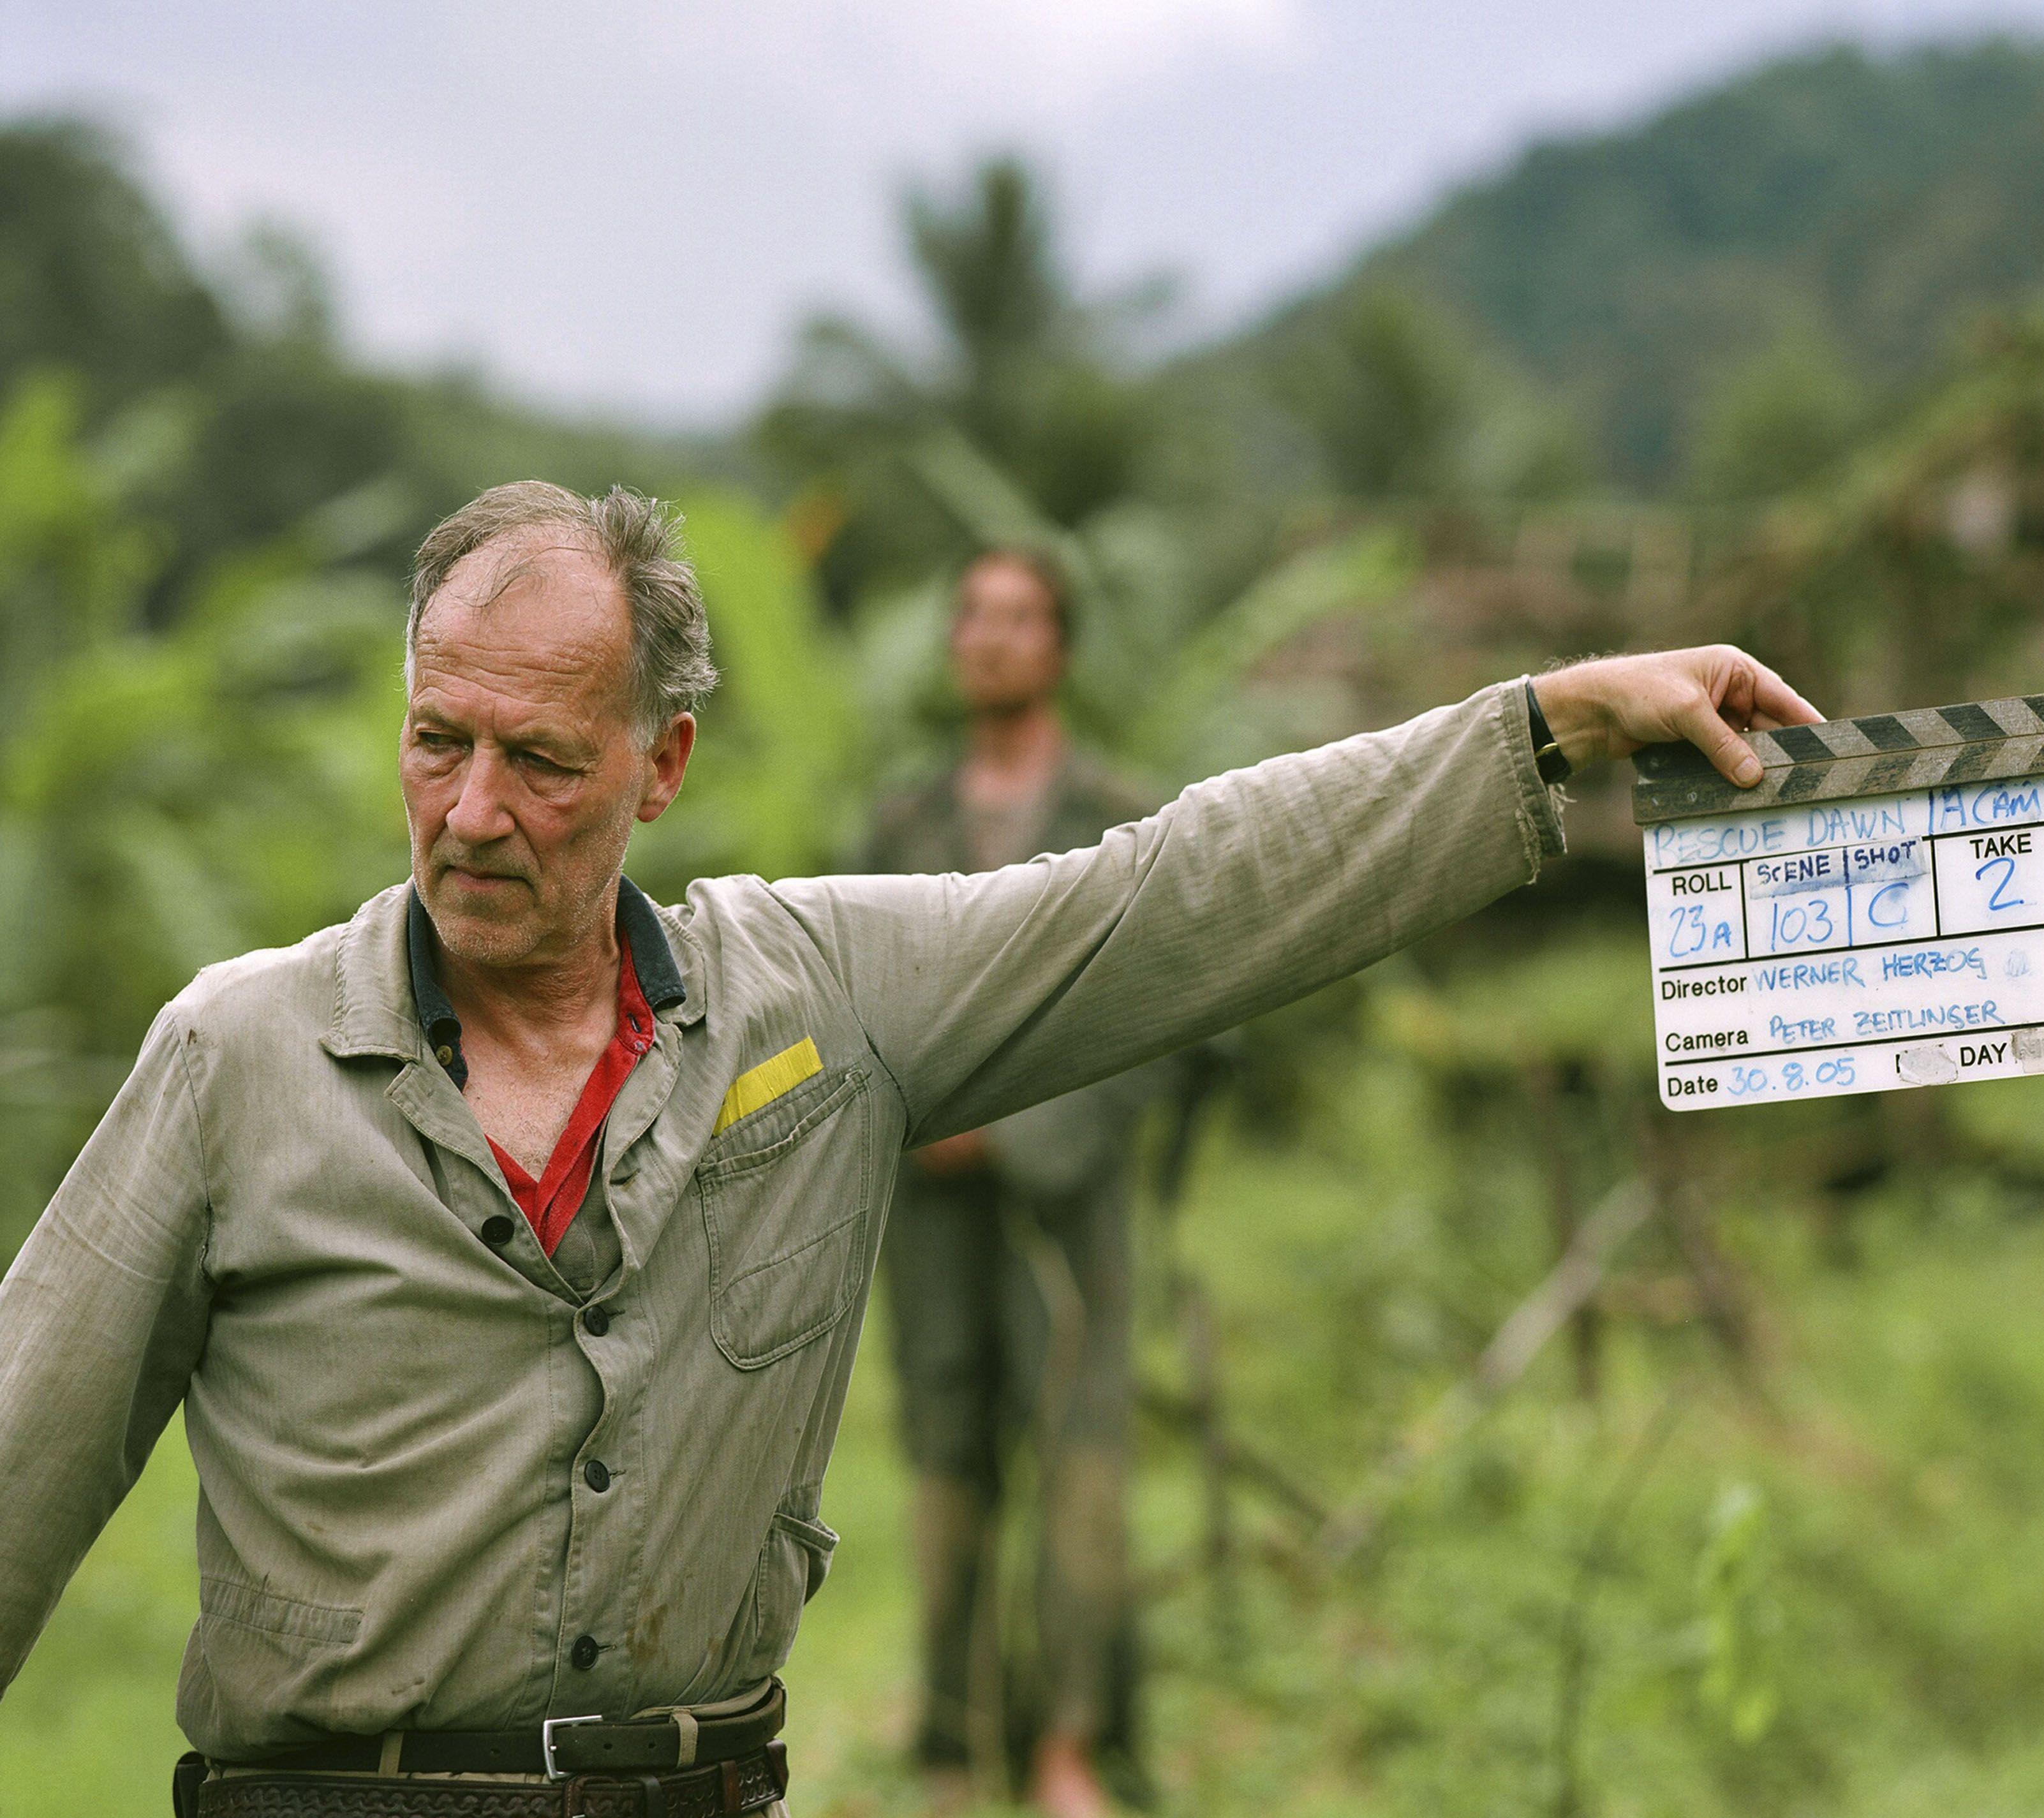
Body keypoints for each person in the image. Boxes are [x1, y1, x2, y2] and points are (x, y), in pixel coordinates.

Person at [0, 480, 1818, 1818]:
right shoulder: (236, 1056)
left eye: (544, 762)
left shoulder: (816, 996)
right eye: (436, 743)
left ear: (663, 763)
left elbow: (1181, 894)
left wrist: (1552, 721)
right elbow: (18, 1465)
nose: (474, 813)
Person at [865, 550, 1164, 1817]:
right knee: (947, 1462)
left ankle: (1072, 1745)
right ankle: (951, 1743)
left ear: (1061, 647)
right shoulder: (899, 822)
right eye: (972, 615)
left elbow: (1164, 1009)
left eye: (1019, 618)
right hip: (928, 1208)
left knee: (1080, 1460)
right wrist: (912, 1112)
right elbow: (853, 991)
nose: (992, 638)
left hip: (1067, 1202)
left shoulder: (1115, 811)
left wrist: (1021, 1127)